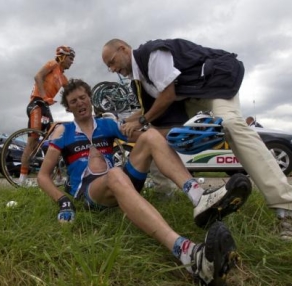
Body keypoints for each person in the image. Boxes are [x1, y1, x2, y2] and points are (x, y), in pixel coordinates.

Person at [37, 79, 251, 285]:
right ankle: (188, 254)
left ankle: (199, 196)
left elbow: (151, 136)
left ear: (90, 99)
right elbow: (43, 176)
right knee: (115, 175)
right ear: (68, 107)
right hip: (90, 191)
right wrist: (63, 201)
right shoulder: (63, 131)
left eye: (83, 97)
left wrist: (185, 131)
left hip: (119, 182)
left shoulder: (107, 124)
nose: (80, 103)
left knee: (151, 137)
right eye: (73, 101)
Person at [102, 38, 292, 240]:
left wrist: (140, 120)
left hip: (216, 83)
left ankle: (285, 206)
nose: (112, 69)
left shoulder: (151, 54)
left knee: (229, 124)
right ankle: (164, 194)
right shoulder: (139, 81)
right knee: (154, 137)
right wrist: (125, 123)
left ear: (123, 49)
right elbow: (150, 110)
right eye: (108, 67)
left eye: (111, 62)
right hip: (190, 98)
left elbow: (166, 96)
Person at [18, 46, 75, 186]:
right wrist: (44, 96)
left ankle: (59, 176)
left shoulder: (63, 77)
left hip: (45, 107)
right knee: (32, 141)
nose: (72, 62)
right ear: (62, 56)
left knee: (54, 141)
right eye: (70, 58)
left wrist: (73, 106)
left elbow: (70, 93)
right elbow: (38, 76)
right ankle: (22, 179)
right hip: (37, 103)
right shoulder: (52, 64)